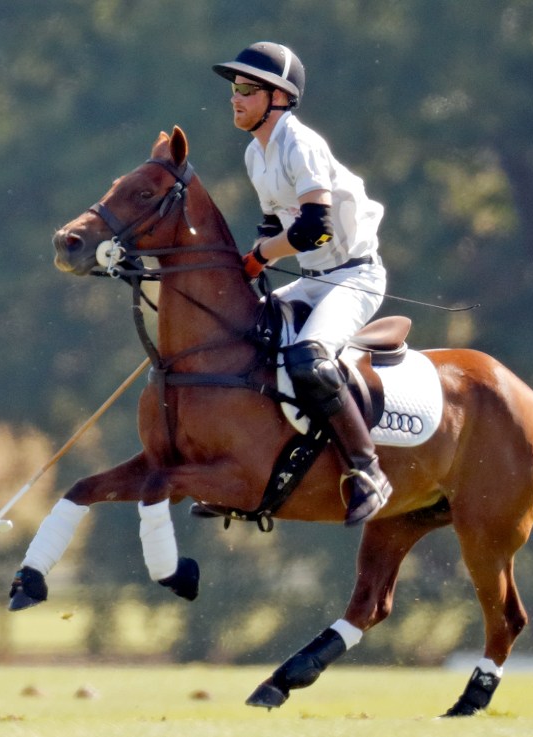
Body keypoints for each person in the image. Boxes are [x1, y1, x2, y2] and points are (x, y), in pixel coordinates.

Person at [213, 42, 392, 526]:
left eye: (247, 90)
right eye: (235, 89)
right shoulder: (256, 153)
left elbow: (316, 228)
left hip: (355, 276)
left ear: (279, 97)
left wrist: (260, 256)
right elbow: (275, 228)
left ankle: (368, 469)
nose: (235, 98)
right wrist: (248, 261)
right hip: (314, 279)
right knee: (241, 333)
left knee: (309, 359)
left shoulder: (301, 144)